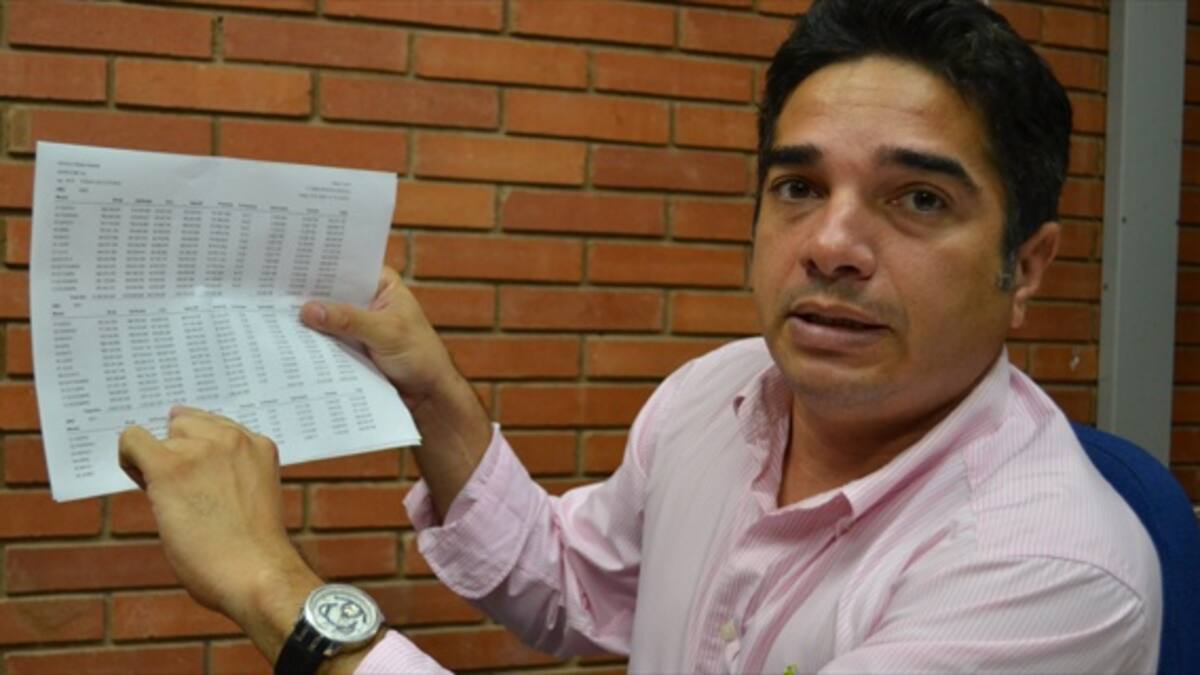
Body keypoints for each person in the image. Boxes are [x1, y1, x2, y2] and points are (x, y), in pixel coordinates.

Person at [118, 0, 1162, 672]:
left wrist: (277, 590)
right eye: (799, 187)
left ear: (1027, 266)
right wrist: (432, 393)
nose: (831, 245)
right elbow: (575, 581)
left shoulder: (1047, 574)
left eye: (919, 200)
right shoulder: (719, 393)